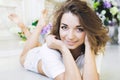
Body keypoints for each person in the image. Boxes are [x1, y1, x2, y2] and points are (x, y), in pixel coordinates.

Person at [8, 0, 109, 80]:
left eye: (79, 29)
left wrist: (89, 46)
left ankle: (33, 28)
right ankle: (34, 26)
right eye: (64, 27)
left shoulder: (93, 47)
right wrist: (63, 48)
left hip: (50, 48)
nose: (70, 36)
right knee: (25, 55)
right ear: (59, 27)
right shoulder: (48, 50)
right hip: (34, 58)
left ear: (89, 30)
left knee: (40, 45)